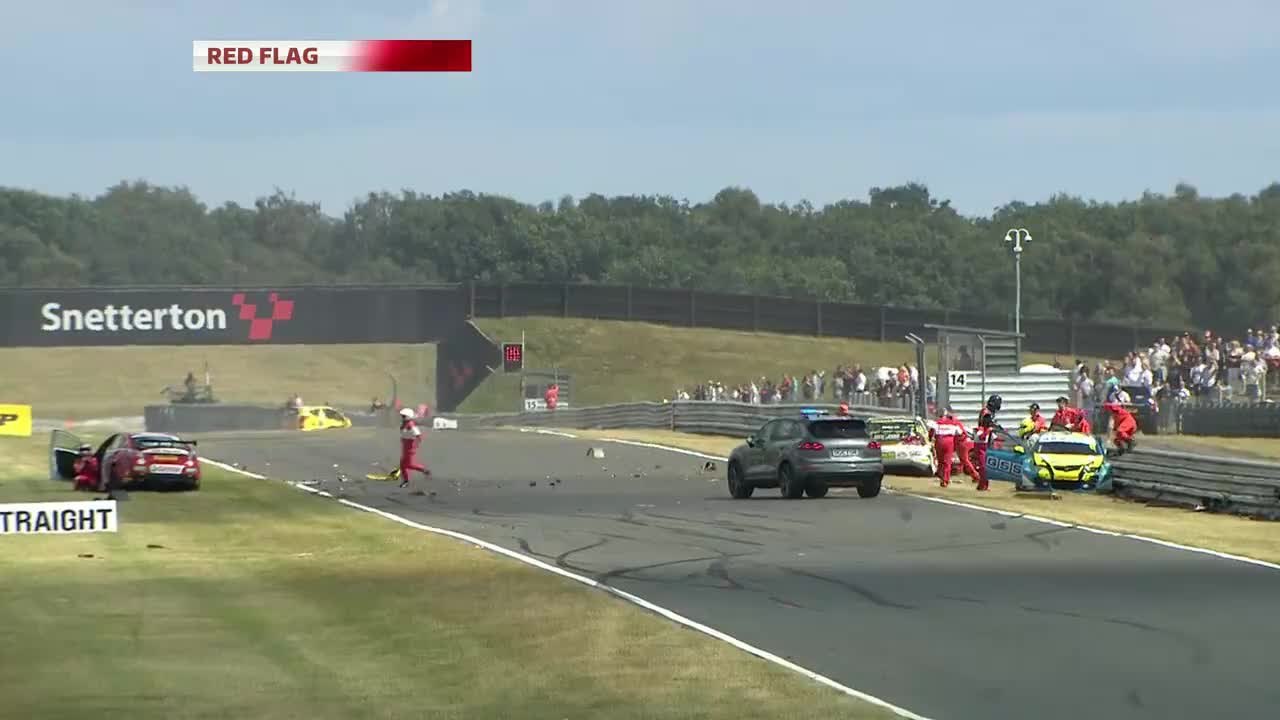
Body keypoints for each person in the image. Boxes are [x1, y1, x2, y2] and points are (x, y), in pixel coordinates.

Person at [397, 407, 430, 489]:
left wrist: (415, 445)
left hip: (410, 446)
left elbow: (419, 435)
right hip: (405, 445)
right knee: (403, 465)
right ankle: (406, 481)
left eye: (404, 416)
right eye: (402, 416)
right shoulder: (404, 424)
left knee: (409, 464)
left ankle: (424, 470)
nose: (402, 417)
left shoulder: (410, 425)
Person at [932, 407, 965, 488]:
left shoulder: (937, 423)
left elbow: (932, 431)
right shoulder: (953, 423)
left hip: (939, 441)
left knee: (940, 460)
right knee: (947, 462)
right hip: (949, 441)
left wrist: (931, 438)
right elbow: (961, 433)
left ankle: (941, 475)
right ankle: (945, 480)